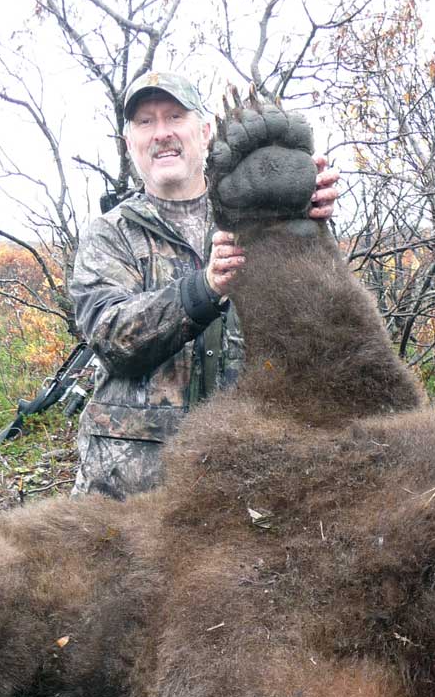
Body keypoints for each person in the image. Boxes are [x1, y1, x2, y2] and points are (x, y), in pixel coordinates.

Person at [69, 72, 340, 498]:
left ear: (205, 131)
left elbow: (316, 325)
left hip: (240, 481)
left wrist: (305, 223)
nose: (161, 133)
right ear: (129, 143)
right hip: (127, 493)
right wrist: (205, 289)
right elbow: (110, 335)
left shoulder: (255, 216)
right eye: (145, 122)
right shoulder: (110, 235)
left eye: (175, 117)